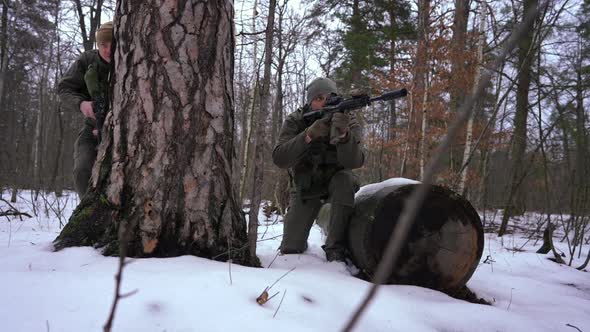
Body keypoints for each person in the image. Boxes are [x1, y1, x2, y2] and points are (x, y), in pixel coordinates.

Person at [272, 77, 365, 262]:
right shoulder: (296, 120)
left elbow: (356, 161)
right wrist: (308, 135)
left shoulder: (348, 119)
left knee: (345, 180)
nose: (324, 102)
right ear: (310, 102)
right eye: (319, 98)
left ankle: (335, 247)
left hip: (336, 183)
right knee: (291, 248)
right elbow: (280, 159)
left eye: (329, 97)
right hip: (306, 186)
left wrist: (345, 135)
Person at [58, 21, 113, 198]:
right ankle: (87, 211)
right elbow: (64, 89)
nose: (108, 50)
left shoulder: (132, 61)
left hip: (124, 129)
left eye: (113, 44)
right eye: (104, 45)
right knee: (82, 169)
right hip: (92, 127)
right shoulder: (87, 60)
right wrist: (81, 104)